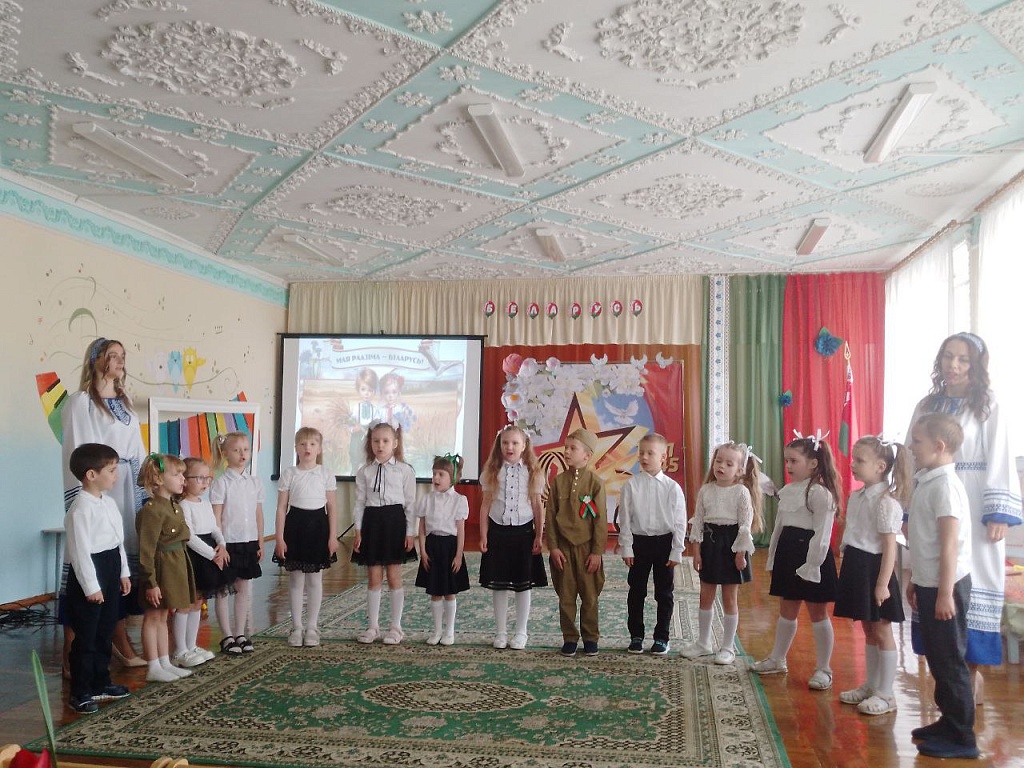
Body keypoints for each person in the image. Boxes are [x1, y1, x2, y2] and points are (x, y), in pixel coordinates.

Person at [908, 332, 1021, 701]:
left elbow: (1000, 455)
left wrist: (998, 511)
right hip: (933, 499)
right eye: (948, 356)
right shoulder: (927, 405)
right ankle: (949, 681)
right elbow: (911, 456)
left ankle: (968, 684)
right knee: (933, 572)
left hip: (974, 505)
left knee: (970, 584)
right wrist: (908, 508)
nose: (953, 365)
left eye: (963, 359)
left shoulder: (988, 405)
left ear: (975, 366)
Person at [61, 337, 148, 672]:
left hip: (125, 486)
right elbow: (78, 453)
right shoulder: (81, 402)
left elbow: (137, 449)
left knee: (118, 562)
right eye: (112, 355)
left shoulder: (125, 402)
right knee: (89, 560)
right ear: (95, 360)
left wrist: (144, 489)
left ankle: (116, 637)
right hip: (99, 486)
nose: (119, 361)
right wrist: (86, 496)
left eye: (122, 356)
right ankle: (73, 651)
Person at [906, 413, 978, 760]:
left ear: (939, 446)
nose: (911, 446)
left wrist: (945, 593)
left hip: (947, 587)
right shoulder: (928, 480)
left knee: (950, 661)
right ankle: (948, 723)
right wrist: (916, 580)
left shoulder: (946, 486)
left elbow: (949, 546)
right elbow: (926, 542)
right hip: (931, 583)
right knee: (937, 658)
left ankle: (963, 738)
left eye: (917, 441)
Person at [752, 431, 841, 691]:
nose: (788, 466)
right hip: (788, 554)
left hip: (813, 557)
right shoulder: (788, 491)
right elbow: (779, 529)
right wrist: (772, 559)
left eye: (794, 461)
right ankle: (777, 659)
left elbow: (822, 534)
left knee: (818, 614)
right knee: (787, 611)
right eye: (787, 461)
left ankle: (824, 669)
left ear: (813, 463)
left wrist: (812, 565)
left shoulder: (821, 494)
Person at [834, 436, 911, 716]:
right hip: (857, 565)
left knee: (881, 630)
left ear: (880, 466)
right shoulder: (857, 496)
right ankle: (872, 685)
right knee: (868, 628)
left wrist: (882, 584)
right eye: (853, 459)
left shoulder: (886, 502)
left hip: (875, 569)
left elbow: (889, 548)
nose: (853, 464)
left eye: (860, 460)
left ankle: (886, 693)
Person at [64, 443, 132, 714]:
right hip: (90, 574)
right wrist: (91, 587)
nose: (116, 475)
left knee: (105, 631)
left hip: (110, 567)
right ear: (91, 475)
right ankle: (80, 692)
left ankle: (100, 682)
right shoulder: (80, 509)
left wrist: (123, 572)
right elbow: (79, 553)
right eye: (112, 470)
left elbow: (117, 542)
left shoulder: (109, 503)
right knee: (87, 635)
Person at [684, 441, 763, 664]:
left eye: (729, 464)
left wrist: (740, 554)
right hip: (710, 544)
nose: (721, 466)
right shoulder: (706, 490)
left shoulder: (741, 492)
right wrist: (696, 552)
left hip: (733, 545)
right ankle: (703, 643)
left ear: (739, 470)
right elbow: (698, 522)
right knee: (705, 595)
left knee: (729, 597)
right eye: (718, 461)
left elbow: (745, 526)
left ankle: (728, 647)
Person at [478, 425, 548, 651]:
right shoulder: (492, 472)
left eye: (515, 443)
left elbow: (537, 505)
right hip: (498, 533)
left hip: (523, 534)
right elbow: (485, 505)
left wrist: (539, 535)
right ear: (499, 445)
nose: (510, 447)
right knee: (499, 584)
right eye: (505, 443)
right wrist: (483, 534)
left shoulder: (533, 472)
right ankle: (500, 632)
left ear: (524, 446)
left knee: (522, 584)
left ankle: (521, 632)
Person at [618, 434, 687, 656]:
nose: (644, 457)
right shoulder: (631, 485)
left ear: (663, 457)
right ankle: (636, 636)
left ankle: (661, 637)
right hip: (639, 543)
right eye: (641, 453)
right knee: (636, 591)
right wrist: (627, 546)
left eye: (650, 453)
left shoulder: (672, 487)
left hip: (664, 544)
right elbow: (625, 519)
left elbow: (680, 521)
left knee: (664, 593)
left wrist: (677, 550)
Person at [352, 422, 417, 645]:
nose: (380, 445)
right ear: (370, 443)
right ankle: (373, 627)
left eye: (385, 441)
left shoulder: (404, 470)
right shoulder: (364, 471)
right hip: (372, 523)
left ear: (395, 443)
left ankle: (396, 627)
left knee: (394, 576)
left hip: (394, 523)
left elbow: (410, 504)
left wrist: (410, 532)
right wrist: (358, 530)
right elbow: (359, 503)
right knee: (374, 577)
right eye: (376, 441)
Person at [273, 427, 339, 647]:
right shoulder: (290, 474)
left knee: (314, 579)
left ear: (319, 449)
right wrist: (279, 538)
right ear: (296, 448)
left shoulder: (325, 474)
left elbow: (332, 507)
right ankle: (296, 627)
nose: (307, 448)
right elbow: (281, 508)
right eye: (302, 444)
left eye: (312, 444)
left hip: (318, 527)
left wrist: (332, 537)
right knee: (295, 580)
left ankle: (312, 626)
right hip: (295, 527)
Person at [545, 429, 607, 657]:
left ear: (587, 455)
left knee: (590, 596)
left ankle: (590, 637)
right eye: (566, 447)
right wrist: (553, 547)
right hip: (563, 549)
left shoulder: (595, 483)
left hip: (587, 549)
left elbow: (600, 521)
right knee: (566, 596)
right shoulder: (558, 482)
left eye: (573, 448)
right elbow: (550, 517)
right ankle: (569, 637)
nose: (567, 452)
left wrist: (597, 552)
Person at [135, 453, 197, 683]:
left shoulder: (174, 506)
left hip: (175, 564)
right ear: (159, 479)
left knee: (163, 616)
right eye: (177, 474)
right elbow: (146, 550)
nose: (183, 479)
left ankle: (164, 662)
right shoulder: (152, 510)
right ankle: (153, 665)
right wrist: (150, 582)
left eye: (183, 474)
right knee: (153, 617)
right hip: (160, 568)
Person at [209, 431, 264, 655]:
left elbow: (258, 513)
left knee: (243, 588)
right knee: (223, 589)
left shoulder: (255, 482)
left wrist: (260, 541)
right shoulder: (221, 483)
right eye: (236, 450)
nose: (242, 454)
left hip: (248, 542)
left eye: (246, 450)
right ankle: (226, 636)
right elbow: (216, 516)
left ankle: (240, 633)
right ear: (225, 454)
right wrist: (220, 543)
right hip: (228, 543)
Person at [174, 457, 229, 668]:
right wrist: (211, 554)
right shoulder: (183, 505)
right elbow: (188, 536)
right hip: (195, 556)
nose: (205, 482)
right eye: (199, 478)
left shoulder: (205, 504)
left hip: (210, 552)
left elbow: (214, 527)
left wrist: (222, 544)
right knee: (186, 603)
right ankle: (180, 650)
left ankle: (191, 645)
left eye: (208, 478)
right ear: (185, 480)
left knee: (199, 601)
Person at [414, 454, 471, 645]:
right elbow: (422, 528)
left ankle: (449, 631)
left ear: (452, 478)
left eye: (441, 474)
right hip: (432, 547)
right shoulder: (426, 499)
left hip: (450, 547)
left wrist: (458, 555)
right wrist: (423, 551)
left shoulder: (459, 500)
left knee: (449, 591)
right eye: (434, 474)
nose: (436, 478)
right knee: (435, 592)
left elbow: (461, 531)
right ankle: (437, 630)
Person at [349, 368, 378, 474]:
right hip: (357, 436)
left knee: (368, 455)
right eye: (363, 389)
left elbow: (376, 424)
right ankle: (354, 471)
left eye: (370, 390)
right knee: (355, 453)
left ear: (374, 392)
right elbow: (350, 422)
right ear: (358, 390)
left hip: (369, 436)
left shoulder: (375, 410)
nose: (367, 393)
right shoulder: (356, 408)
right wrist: (353, 428)